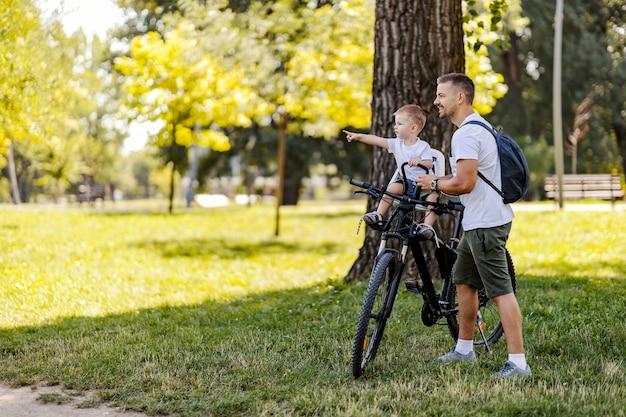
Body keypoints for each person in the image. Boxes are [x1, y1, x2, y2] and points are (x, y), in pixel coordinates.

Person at [416, 73, 531, 379]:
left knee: (500, 292)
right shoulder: (480, 126)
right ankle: (464, 351)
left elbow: (464, 183)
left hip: (485, 224)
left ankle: (518, 364)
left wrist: (434, 182)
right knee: (464, 281)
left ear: (460, 98)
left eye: (441, 95)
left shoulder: (466, 134)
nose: (436, 101)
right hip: (480, 221)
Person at [344, 104, 438, 238]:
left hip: (422, 184)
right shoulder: (396, 143)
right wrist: (358, 137)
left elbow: (429, 164)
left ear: (413, 128)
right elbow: (377, 140)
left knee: (434, 197)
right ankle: (379, 214)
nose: (395, 127)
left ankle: (427, 227)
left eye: (399, 124)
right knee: (392, 188)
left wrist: (419, 162)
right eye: (396, 123)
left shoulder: (423, 146)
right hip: (405, 181)